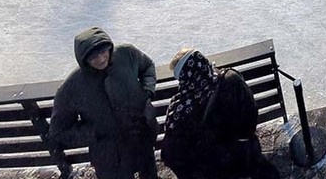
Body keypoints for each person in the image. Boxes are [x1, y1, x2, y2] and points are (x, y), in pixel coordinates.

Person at [47, 27, 158, 179]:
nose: (101, 59)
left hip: (141, 139)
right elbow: (59, 133)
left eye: (103, 51)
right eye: (93, 57)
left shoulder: (126, 54)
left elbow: (147, 66)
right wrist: (94, 132)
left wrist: (147, 92)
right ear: (83, 59)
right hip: (110, 157)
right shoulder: (71, 88)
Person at [161, 49, 278, 179]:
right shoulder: (231, 79)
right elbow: (250, 117)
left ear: (183, 78)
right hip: (244, 155)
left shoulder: (179, 109)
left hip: (211, 170)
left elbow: (171, 155)